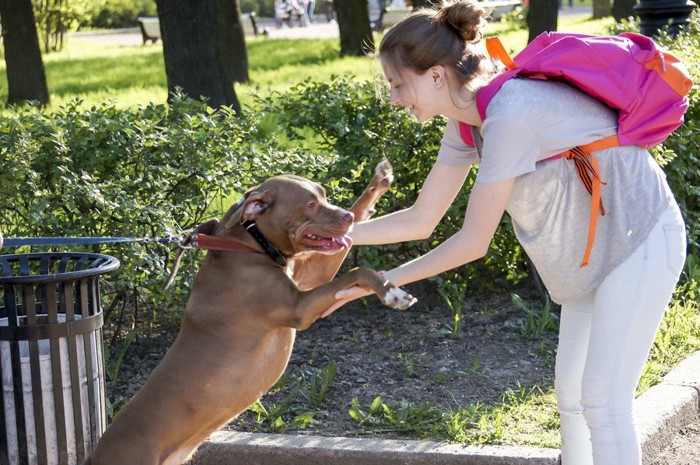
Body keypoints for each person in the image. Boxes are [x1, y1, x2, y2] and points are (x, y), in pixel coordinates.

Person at [324, 1, 687, 464]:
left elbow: (472, 242)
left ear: (436, 76)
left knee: (602, 400)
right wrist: (334, 236)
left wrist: (375, 284)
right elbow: (422, 218)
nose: (395, 97)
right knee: (573, 399)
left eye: (399, 84)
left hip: (641, 239)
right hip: (593, 254)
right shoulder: (467, 121)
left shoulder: (509, 116)